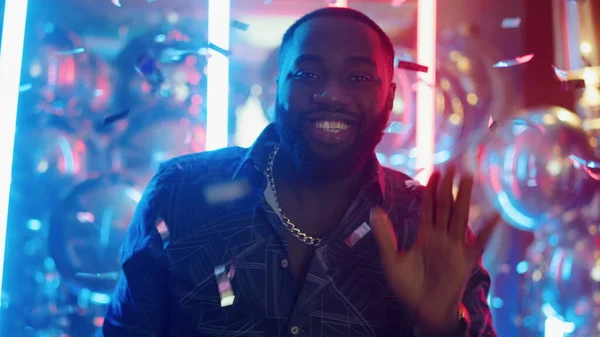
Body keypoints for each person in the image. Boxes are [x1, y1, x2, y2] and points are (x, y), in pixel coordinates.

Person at [102, 7, 499, 337]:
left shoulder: (423, 224)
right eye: (307, 74)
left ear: (390, 96)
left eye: (358, 78)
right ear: (277, 88)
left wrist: (443, 324)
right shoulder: (181, 192)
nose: (332, 94)